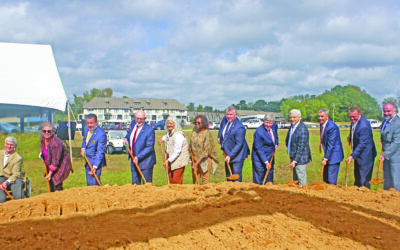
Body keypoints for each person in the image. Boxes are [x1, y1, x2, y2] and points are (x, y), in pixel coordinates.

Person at [346, 105, 377, 188]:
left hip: (366, 155)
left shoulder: (364, 126)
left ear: (359, 114)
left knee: (364, 179)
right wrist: (351, 136)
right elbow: (355, 131)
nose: (352, 119)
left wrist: (352, 156)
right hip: (359, 154)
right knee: (358, 177)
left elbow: (362, 144)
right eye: (350, 117)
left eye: (354, 117)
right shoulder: (354, 122)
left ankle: (365, 196)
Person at [217, 106, 250, 182]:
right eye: (227, 114)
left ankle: (237, 192)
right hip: (227, 153)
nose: (228, 116)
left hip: (237, 155)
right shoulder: (225, 120)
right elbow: (221, 128)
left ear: (235, 115)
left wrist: (230, 156)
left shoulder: (239, 128)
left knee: (236, 177)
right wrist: (219, 137)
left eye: (231, 114)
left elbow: (239, 144)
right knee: (229, 176)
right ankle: (229, 192)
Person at [124, 110, 156, 184]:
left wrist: (138, 157)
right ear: (135, 118)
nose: (138, 121)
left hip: (145, 162)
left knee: (146, 185)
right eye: (137, 118)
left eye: (141, 119)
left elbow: (149, 147)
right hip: (133, 159)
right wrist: (126, 138)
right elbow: (129, 134)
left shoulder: (149, 130)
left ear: (145, 119)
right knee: (135, 184)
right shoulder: (133, 124)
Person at [40, 122, 73, 191]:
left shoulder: (56, 143)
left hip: (60, 165)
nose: (46, 133)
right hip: (50, 163)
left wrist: (50, 173)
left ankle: (59, 199)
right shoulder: (43, 138)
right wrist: (42, 156)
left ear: (53, 132)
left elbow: (56, 160)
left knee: (56, 182)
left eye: (49, 131)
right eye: (44, 131)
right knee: (50, 182)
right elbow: (43, 148)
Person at [189, 115, 219, 184]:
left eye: (198, 123)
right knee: (195, 179)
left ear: (203, 123)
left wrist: (197, 163)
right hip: (195, 158)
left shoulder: (207, 134)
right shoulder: (194, 130)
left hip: (204, 160)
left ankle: (205, 194)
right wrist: (190, 147)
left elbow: (206, 152)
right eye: (195, 122)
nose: (196, 124)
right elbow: (192, 141)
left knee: (205, 179)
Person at [285, 109, 312, 186]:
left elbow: (301, 147)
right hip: (294, 156)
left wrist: (295, 160)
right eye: (291, 117)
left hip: (301, 158)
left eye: (294, 117)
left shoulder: (302, 129)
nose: (292, 119)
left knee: (301, 179)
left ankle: (304, 194)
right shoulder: (292, 126)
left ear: (299, 118)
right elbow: (289, 139)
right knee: (295, 180)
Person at [318, 109, 344, 185]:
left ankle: (332, 195)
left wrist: (326, 158)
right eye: (319, 116)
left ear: (327, 117)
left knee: (331, 180)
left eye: (322, 116)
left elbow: (331, 144)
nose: (320, 118)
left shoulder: (332, 127)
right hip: (328, 154)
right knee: (325, 179)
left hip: (334, 156)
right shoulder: (322, 125)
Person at [159, 118, 189, 184]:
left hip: (179, 159)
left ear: (175, 125)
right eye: (168, 123)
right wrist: (162, 140)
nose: (169, 125)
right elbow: (167, 136)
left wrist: (168, 160)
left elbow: (177, 151)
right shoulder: (169, 133)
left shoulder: (178, 135)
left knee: (176, 180)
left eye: (171, 123)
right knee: (170, 179)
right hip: (170, 158)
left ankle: (177, 193)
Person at [252, 114, 278, 185]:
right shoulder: (259, 132)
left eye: (270, 123)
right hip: (259, 158)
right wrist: (266, 162)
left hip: (270, 155)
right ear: (263, 121)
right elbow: (259, 148)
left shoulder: (274, 126)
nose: (268, 125)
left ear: (273, 122)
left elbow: (275, 136)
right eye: (266, 122)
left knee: (269, 176)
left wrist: (276, 144)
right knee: (259, 178)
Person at [81, 114, 107, 186]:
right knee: (89, 184)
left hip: (95, 161)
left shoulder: (101, 134)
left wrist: (95, 166)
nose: (89, 125)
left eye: (91, 123)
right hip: (87, 160)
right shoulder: (86, 129)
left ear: (96, 122)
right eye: (88, 123)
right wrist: (83, 148)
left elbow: (100, 151)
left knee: (94, 184)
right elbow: (84, 140)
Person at [380, 103, 400, 191]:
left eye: (389, 111)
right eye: (384, 111)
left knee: (395, 181)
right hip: (386, 156)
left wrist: (385, 154)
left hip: (395, 157)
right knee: (387, 179)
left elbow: (396, 142)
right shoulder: (384, 121)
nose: (386, 113)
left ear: (394, 111)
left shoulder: (398, 123)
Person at [0, 137, 24, 203]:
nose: (9, 146)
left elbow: (16, 174)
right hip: (0, 177)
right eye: (7, 144)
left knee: (18, 183)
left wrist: (6, 182)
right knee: (1, 198)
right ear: (4, 144)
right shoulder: (0, 153)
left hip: (11, 178)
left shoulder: (18, 158)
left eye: (11, 145)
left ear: (15, 146)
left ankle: (19, 204)